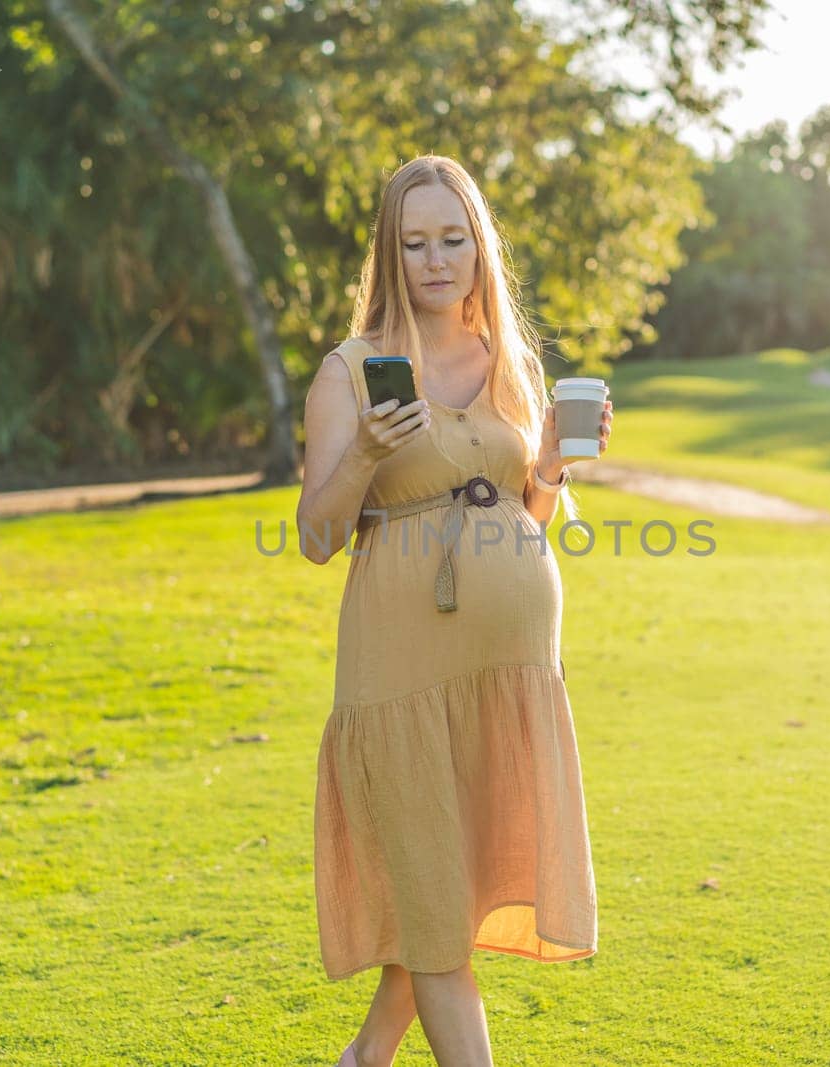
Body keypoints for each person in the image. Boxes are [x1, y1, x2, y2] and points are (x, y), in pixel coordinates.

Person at [296, 154, 614, 1067]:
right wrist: (360, 453)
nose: (436, 260)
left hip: (511, 674)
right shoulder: (351, 372)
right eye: (415, 242)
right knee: (435, 893)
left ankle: (365, 1058)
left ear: (479, 245)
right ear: (389, 254)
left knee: (455, 889)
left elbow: (527, 508)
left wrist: (549, 462)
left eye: (453, 238)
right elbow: (318, 535)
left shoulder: (505, 359)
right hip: (404, 674)